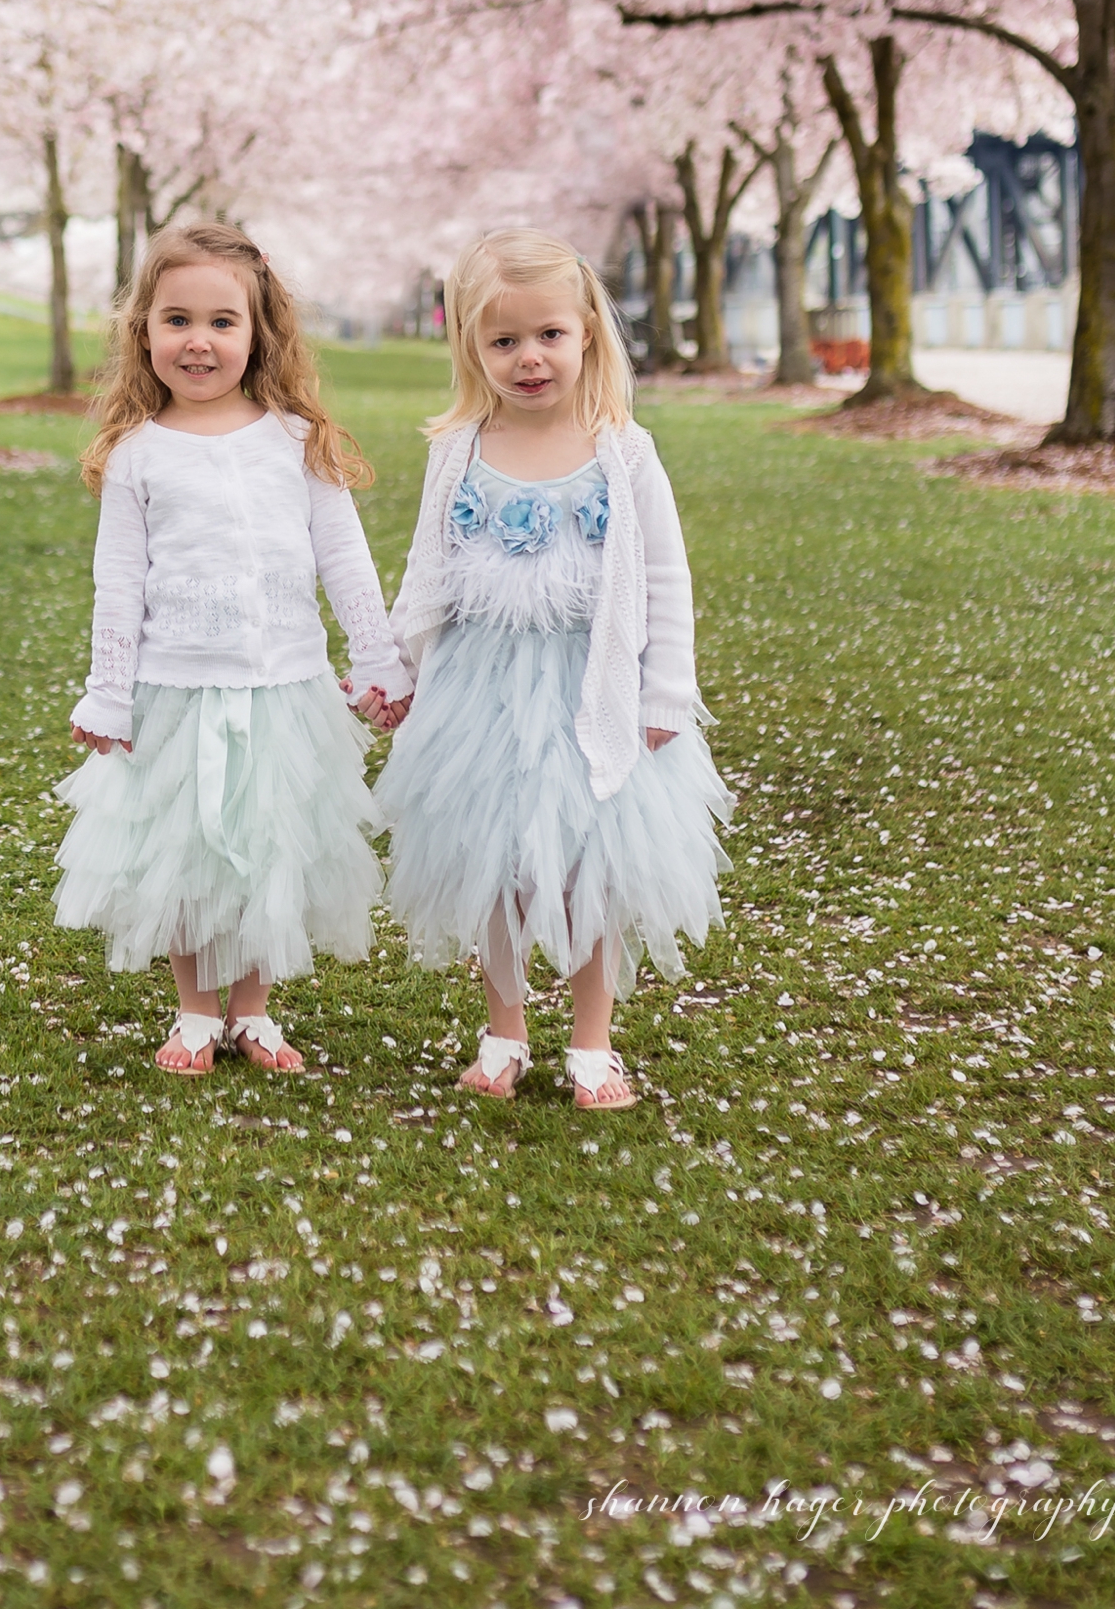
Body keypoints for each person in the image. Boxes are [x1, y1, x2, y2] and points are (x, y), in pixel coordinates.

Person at [375, 227, 730, 1109]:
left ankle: (592, 1040)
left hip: (591, 686)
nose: (529, 358)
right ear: (471, 349)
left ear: (587, 337)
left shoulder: (622, 451)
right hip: (482, 691)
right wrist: (401, 667)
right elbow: (428, 569)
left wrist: (666, 691)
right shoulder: (457, 449)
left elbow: (666, 578)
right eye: (503, 342)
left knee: (592, 864)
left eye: (548, 336)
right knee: (494, 859)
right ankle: (504, 1029)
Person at [54, 221, 413, 1077]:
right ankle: (194, 1011)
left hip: (281, 686)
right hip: (173, 687)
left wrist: (379, 657)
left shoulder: (295, 440)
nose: (199, 341)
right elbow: (120, 584)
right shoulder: (138, 455)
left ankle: (252, 1013)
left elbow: (345, 559)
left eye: (223, 322)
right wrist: (108, 691)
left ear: (259, 335)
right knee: (184, 850)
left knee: (264, 845)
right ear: (144, 331)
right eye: (177, 320)